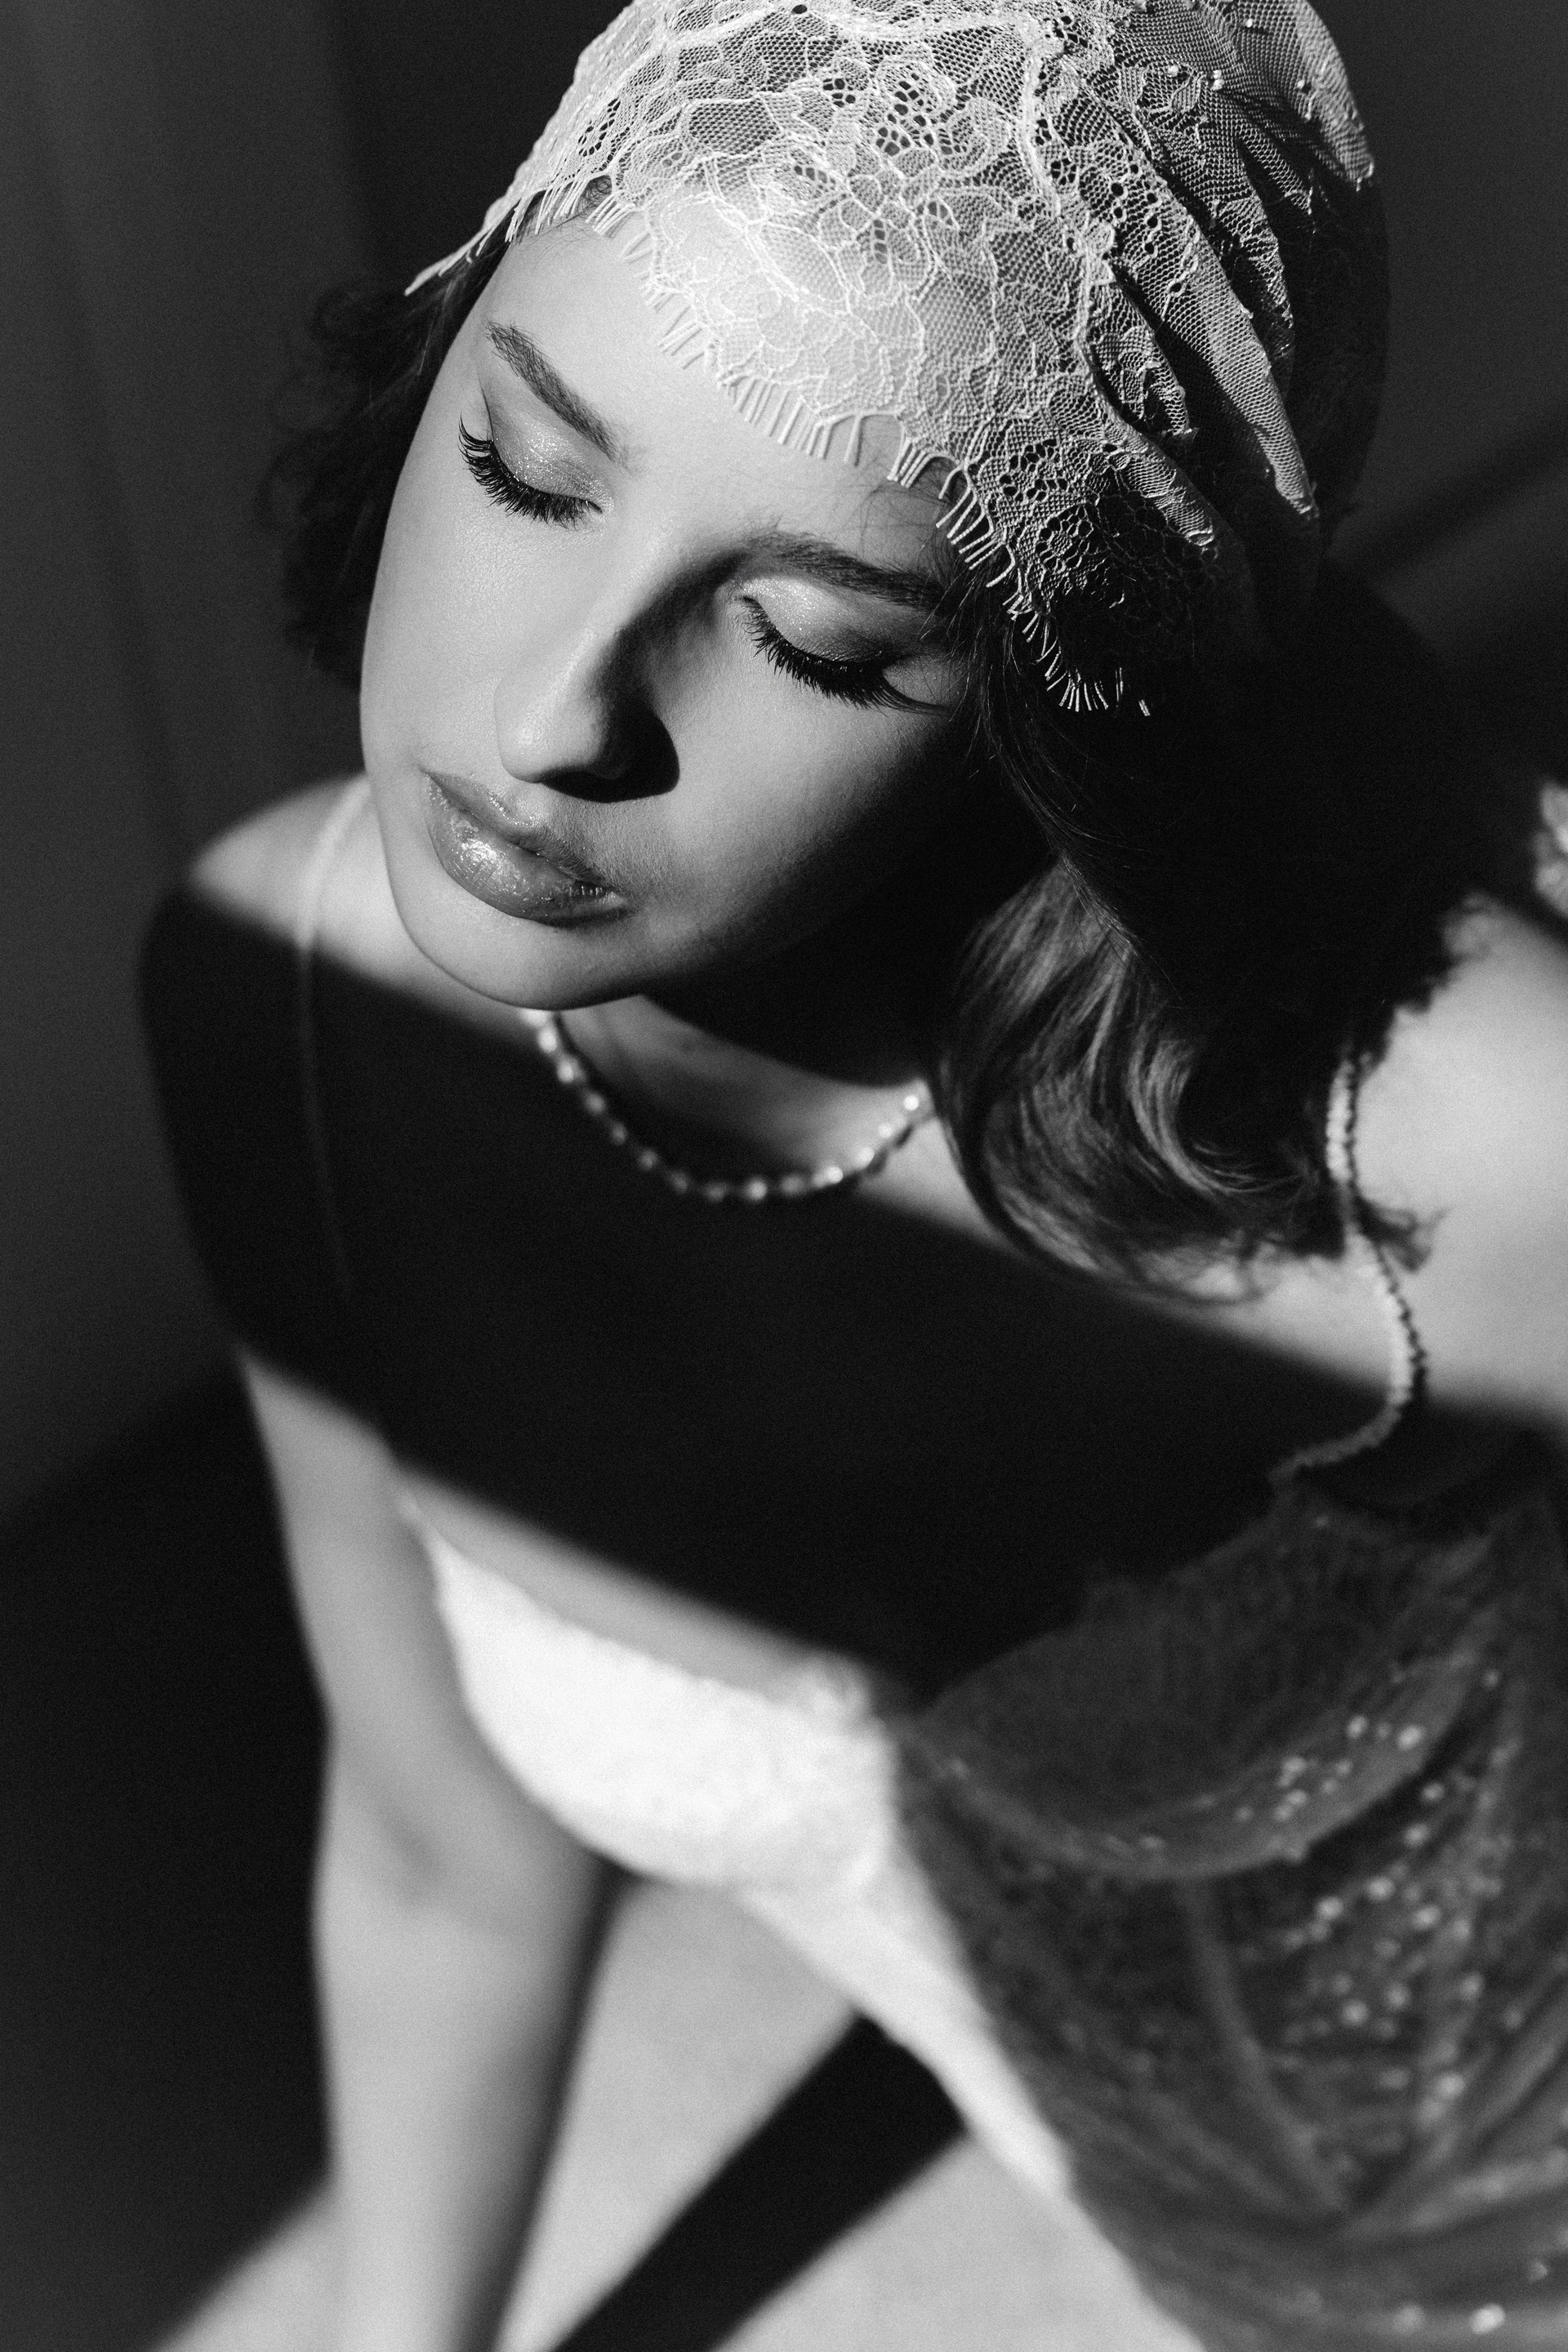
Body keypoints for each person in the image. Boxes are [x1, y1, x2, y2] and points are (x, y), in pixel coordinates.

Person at [140, 2, 1568, 2347]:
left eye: (818, 640)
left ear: (1056, 708)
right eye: (524, 469)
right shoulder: (278, 1001)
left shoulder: (1433, 1135)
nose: (551, 721)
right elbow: (435, 1861)